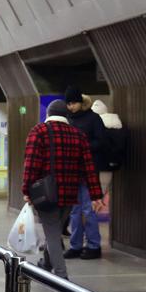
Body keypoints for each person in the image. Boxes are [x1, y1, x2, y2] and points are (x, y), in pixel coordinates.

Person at [23, 99, 104, 280]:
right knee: (55, 230)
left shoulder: (39, 132)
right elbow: (89, 168)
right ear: (67, 115)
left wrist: (26, 190)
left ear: (48, 114)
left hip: (46, 194)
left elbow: (31, 164)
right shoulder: (78, 135)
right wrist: (96, 195)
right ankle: (46, 264)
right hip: (69, 194)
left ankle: (61, 276)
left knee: (52, 233)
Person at [63, 86, 106, 260]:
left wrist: (83, 148)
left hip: (88, 171)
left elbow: (102, 142)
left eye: (73, 103)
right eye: (68, 104)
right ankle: (76, 245)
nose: (70, 107)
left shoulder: (93, 119)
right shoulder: (67, 119)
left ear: (80, 102)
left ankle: (94, 246)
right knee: (74, 211)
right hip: (72, 172)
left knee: (89, 210)